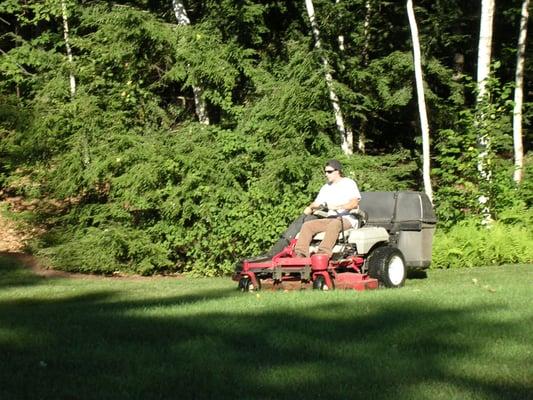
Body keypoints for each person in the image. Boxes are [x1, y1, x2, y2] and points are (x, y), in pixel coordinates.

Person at [293, 159, 361, 258]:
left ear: (337, 171)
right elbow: (317, 203)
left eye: (329, 172)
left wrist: (338, 207)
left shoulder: (348, 183)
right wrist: (310, 207)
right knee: (307, 225)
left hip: (346, 218)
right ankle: (300, 255)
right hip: (330, 219)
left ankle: (322, 254)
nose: (326, 174)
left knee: (334, 223)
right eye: (325, 172)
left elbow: (354, 203)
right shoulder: (326, 187)